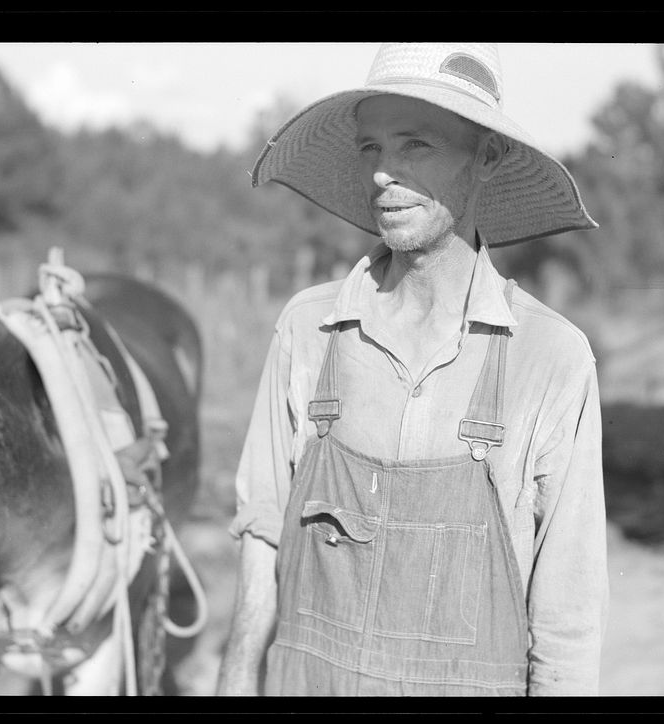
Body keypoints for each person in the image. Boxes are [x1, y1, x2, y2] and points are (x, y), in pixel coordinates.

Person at [216, 43, 608, 697]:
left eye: (415, 145)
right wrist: (233, 684)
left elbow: (568, 628)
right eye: (370, 148)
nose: (381, 175)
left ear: (487, 156)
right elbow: (263, 541)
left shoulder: (551, 359)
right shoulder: (308, 331)